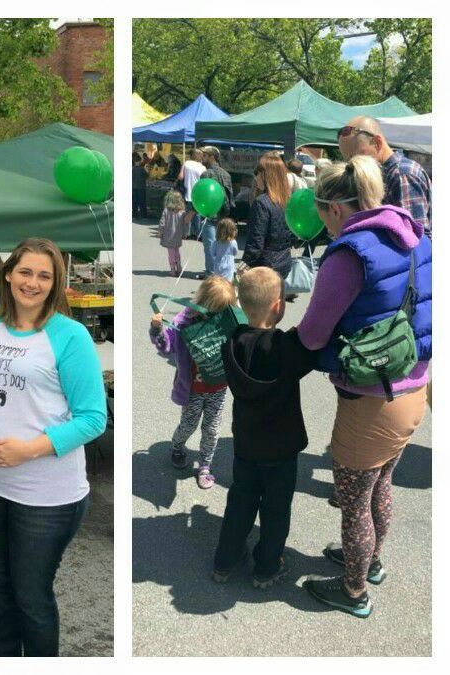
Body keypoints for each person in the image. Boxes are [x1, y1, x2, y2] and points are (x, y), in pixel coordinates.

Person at [297, 156, 431, 617]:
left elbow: (312, 335)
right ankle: (370, 561)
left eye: (320, 214)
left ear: (335, 208)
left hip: (371, 399)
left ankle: (353, 591)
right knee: (381, 486)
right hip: (414, 388)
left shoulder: (350, 252)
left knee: (354, 503)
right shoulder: (415, 234)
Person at [0, 237, 106, 657]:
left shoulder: (70, 336)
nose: (33, 282)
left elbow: (93, 418)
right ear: (8, 274)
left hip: (43, 494)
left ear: (56, 283)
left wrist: (27, 449)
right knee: (0, 584)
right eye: (25, 271)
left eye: (45, 275)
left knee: (31, 596)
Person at [212, 267, 318, 588]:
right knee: (275, 509)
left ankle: (224, 561)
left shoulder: (230, 343)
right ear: (278, 306)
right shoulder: (286, 346)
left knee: (241, 500)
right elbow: (312, 347)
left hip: (246, 443)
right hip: (281, 447)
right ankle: (266, 567)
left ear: (242, 304)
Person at [150, 275, 237, 489]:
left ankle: (205, 465)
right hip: (193, 389)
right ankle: (177, 446)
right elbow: (166, 346)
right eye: (214, 310)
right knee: (188, 425)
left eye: (222, 310)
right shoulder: (185, 320)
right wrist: (157, 330)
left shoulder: (227, 320)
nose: (217, 315)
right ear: (203, 302)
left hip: (218, 387)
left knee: (212, 428)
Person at [337, 115, 431, 236]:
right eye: (348, 159)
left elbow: (414, 238)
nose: (353, 164)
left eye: (356, 156)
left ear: (377, 143)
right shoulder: (381, 174)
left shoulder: (402, 174)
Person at [243, 151, 293, 280]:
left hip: (265, 268)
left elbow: (255, 242)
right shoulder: (287, 200)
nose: (255, 177)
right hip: (284, 262)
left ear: (266, 174)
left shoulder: (261, 203)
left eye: (257, 173)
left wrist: (245, 265)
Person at [199, 146, 234, 279]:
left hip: (209, 214)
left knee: (210, 245)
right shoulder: (226, 174)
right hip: (223, 215)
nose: (202, 158)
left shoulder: (206, 174)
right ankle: (221, 272)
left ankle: (211, 273)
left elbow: (202, 195)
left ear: (212, 157)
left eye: (205, 155)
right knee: (222, 246)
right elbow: (230, 198)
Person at [159, 190, 188, 276]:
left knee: (171, 252)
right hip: (178, 236)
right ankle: (178, 266)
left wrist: (160, 232)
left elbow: (162, 222)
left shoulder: (166, 211)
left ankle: (172, 269)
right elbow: (185, 224)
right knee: (176, 250)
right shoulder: (182, 212)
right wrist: (185, 233)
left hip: (168, 236)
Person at [180, 149, 207, 238]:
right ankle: (198, 234)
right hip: (198, 193)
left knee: (187, 212)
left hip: (187, 192)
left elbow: (180, 177)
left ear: (192, 155)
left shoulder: (186, 163)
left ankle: (187, 233)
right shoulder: (203, 168)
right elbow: (204, 182)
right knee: (197, 213)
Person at [133, 152, 149, 219]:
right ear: (139, 161)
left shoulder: (132, 169)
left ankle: (135, 215)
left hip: (133, 187)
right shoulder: (142, 169)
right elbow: (147, 176)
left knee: (134, 202)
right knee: (142, 201)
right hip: (141, 187)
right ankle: (143, 215)